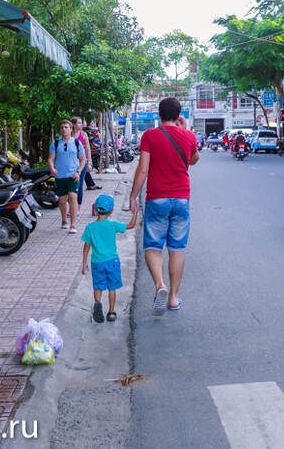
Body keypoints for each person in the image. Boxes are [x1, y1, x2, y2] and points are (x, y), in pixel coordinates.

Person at [129, 97, 199, 315]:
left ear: (158, 115)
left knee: (152, 246)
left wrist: (133, 197)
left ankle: (160, 284)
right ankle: (173, 298)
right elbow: (194, 160)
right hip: (181, 199)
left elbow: (142, 169)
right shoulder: (189, 135)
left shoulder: (150, 135)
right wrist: (185, 129)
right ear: (179, 115)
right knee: (177, 249)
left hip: (157, 197)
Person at [81, 194, 138, 323]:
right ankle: (111, 313)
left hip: (96, 262)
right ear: (111, 211)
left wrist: (84, 263)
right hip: (112, 261)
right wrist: (135, 213)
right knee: (112, 287)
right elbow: (131, 225)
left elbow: (86, 246)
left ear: (95, 209)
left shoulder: (90, 227)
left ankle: (97, 303)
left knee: (98, 286)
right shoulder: (113, 225)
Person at [48, 120, 86, 233]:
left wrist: (78, 171)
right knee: (62, 200)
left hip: (73, 175)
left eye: (66, 127)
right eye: (62, 127)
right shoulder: (55, 144)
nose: (64, 129)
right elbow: (50, 158)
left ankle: (73, 225)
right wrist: (52, 168)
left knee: (73, 197)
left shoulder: (77, 143)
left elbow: (83, 159)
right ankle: (64, 220)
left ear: (70, 129)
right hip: (60, 176)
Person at [71, 117, 101, 209]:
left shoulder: (83, 135)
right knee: (71, 186)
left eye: (81, 123)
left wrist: (89, 163)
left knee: (79, 185)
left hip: (82, 162)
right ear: (73, 125)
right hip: (71, 163)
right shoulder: (69, 135)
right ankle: (72, 207)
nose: (81, 125)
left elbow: (88, 149)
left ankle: (78, 208)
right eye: (79, 123)